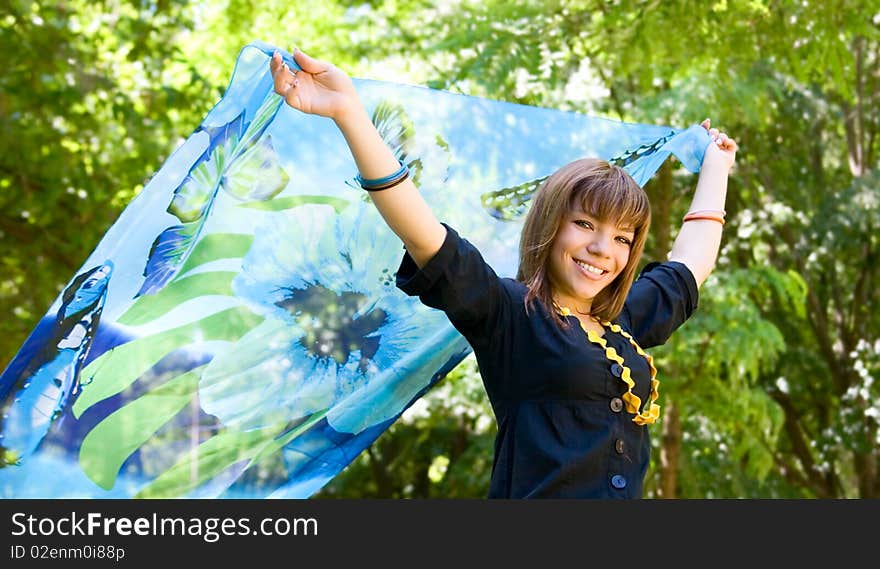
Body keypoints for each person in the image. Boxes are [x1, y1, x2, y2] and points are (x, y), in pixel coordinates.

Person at [269, 48, 738, 498]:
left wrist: (716, 167)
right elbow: (423, 233)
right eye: (585, 225)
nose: (602, 248)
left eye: (622, 238)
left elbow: (689, 266)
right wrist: (349, 113)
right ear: (551, 226)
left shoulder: (625, 324)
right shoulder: (510, 313)